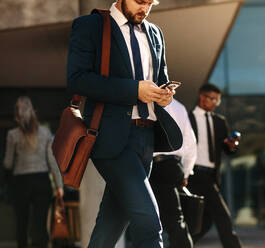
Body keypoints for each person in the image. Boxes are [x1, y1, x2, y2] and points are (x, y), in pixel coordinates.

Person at [66, 0, 182, 247]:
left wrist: (164, 94)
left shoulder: (155, 33)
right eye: (140, 1)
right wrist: (134, 90)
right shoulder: (91, 26)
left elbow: (161, 78)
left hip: (146, 139)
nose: (145, 8)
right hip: (110, 138)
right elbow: (77, 79)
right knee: (149, 223)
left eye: (150, 3)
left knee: (109, 227)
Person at [3, 96, 64, 248]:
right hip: (42, 181)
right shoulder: (44, 133)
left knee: (21, 224)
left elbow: (8, 163)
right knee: (40, 224)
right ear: (33, 112)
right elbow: (52, 161)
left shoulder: (13, 135)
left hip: (21, 182)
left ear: (17, 115)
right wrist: (59, 186)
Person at [188, 83, 242, 248]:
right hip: (193, 174)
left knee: (204, 222)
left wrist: (232, 145)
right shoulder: (187, 118)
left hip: (211, 176)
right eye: (212, 99)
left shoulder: (219, 121)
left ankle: (181, 244)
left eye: (217, 101)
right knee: (223, 217)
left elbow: (227, 149)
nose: (214, 104)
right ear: (202, 97)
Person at [150, 98, 197, 248]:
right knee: (174, 218)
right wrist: (186, 173)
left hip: (154, 165)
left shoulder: (146, 101)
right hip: (173, 166)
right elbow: (190, 143)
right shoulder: (179, 106)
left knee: (153, 217)